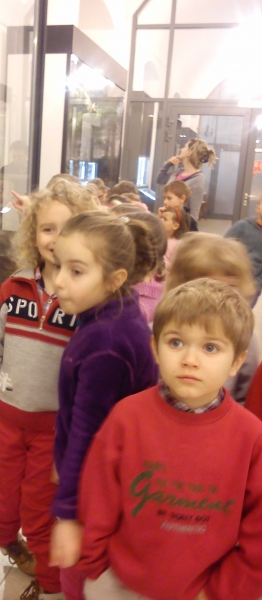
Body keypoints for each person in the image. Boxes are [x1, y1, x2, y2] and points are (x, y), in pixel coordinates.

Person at [78, 278, 262, 600]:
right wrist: (95, 563)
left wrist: (221, 590)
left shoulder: (252, 437)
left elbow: (258, 531)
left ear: (236, 361)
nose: (190, 359)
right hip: (117, 582)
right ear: (155, 349)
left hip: (203, 592)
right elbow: (98, 497)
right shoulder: (126, 417)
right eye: (176, 342)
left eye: (210, 347)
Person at [0, 180, 100, 600]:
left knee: (39, 513)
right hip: (8, 424)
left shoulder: (85, 303)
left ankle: (50, 585)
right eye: (47, 228)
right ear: (33, 232)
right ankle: (10, 544)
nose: (55, 239)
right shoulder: (13, 288)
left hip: (53, 432)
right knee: (1, 508)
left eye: (67, 229)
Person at [49, 211, 159, 599]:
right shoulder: (112, 316)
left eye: (76, 271)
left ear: (115, 279)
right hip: (101, 482)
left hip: (98, 492)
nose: (59, 281)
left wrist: (68, 514)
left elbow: (86, 432)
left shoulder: (105, 344)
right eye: (58, 265)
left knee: (77, 580)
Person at [165, 233, 259, 404]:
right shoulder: (163, 328)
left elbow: (246, 393)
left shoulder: (245, 336)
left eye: (231, 286)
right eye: (207, 284)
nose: (220, 294)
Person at [157, 138, 216, 222]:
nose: (181, 149)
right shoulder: (177, 172)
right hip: (167, 220)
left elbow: (194, 215)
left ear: (190, 152)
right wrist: (168, 164)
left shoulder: (197, 180)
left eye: (184, 147)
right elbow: (160, 179)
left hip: (179, 223)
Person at [225, 195, 262, 297]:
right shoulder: (242, 226)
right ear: (257, 208)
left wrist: (256, 284)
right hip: (230, 278)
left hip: (252, 284)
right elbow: (223, 249)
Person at [159, 206, 190, 272]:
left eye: (165, 219)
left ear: (175, 226)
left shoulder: (177, 244)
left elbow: (176, 267)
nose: (160, 220)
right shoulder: (159, 238)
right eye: (161, 218)